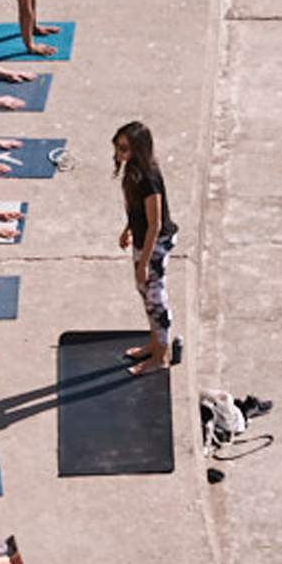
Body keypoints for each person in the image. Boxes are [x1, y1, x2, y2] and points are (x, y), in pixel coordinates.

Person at [113, 120, 176, 376]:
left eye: (124, 149)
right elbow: (135, 209)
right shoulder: (132, 171)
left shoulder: (148, 177)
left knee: (155, 297)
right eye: (117, 147)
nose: (119, 154)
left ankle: (161, 356)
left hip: (155, 243)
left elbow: (155, 223)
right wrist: (127, 229)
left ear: (138, 149)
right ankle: (154, 343)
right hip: (142, 240)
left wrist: (144, 263)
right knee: (144, 292)